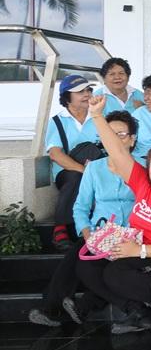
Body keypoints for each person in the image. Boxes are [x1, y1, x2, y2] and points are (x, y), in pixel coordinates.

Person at [76, 95, 151, 334]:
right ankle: (141, 312)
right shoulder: (144, 184)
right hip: (139, 249)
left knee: (116, 272)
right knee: (89, 265)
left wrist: (139, 251)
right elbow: (118, 152)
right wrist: (97, 115)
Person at [29, 110, 139, 327]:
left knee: (102, 268)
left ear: (132, 139)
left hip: (132, 234)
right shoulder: (94, 169)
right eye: (109, 134)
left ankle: (85, 306)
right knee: (77, 255)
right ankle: (53, 309)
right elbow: (80, 207)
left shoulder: (143, 167)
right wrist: (87, 233)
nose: (115, 140)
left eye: (121, 135)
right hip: (100, 230)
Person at [45, 74, 100, 251]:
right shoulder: (58, 121)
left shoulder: (99, 117)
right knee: (75, 177)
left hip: (96, 168)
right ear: (67, 97)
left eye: (88, 90)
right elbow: (55, 154)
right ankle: (60, 227)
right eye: (80, 92)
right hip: (67, 173)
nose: (86, 94)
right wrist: (85, 170)